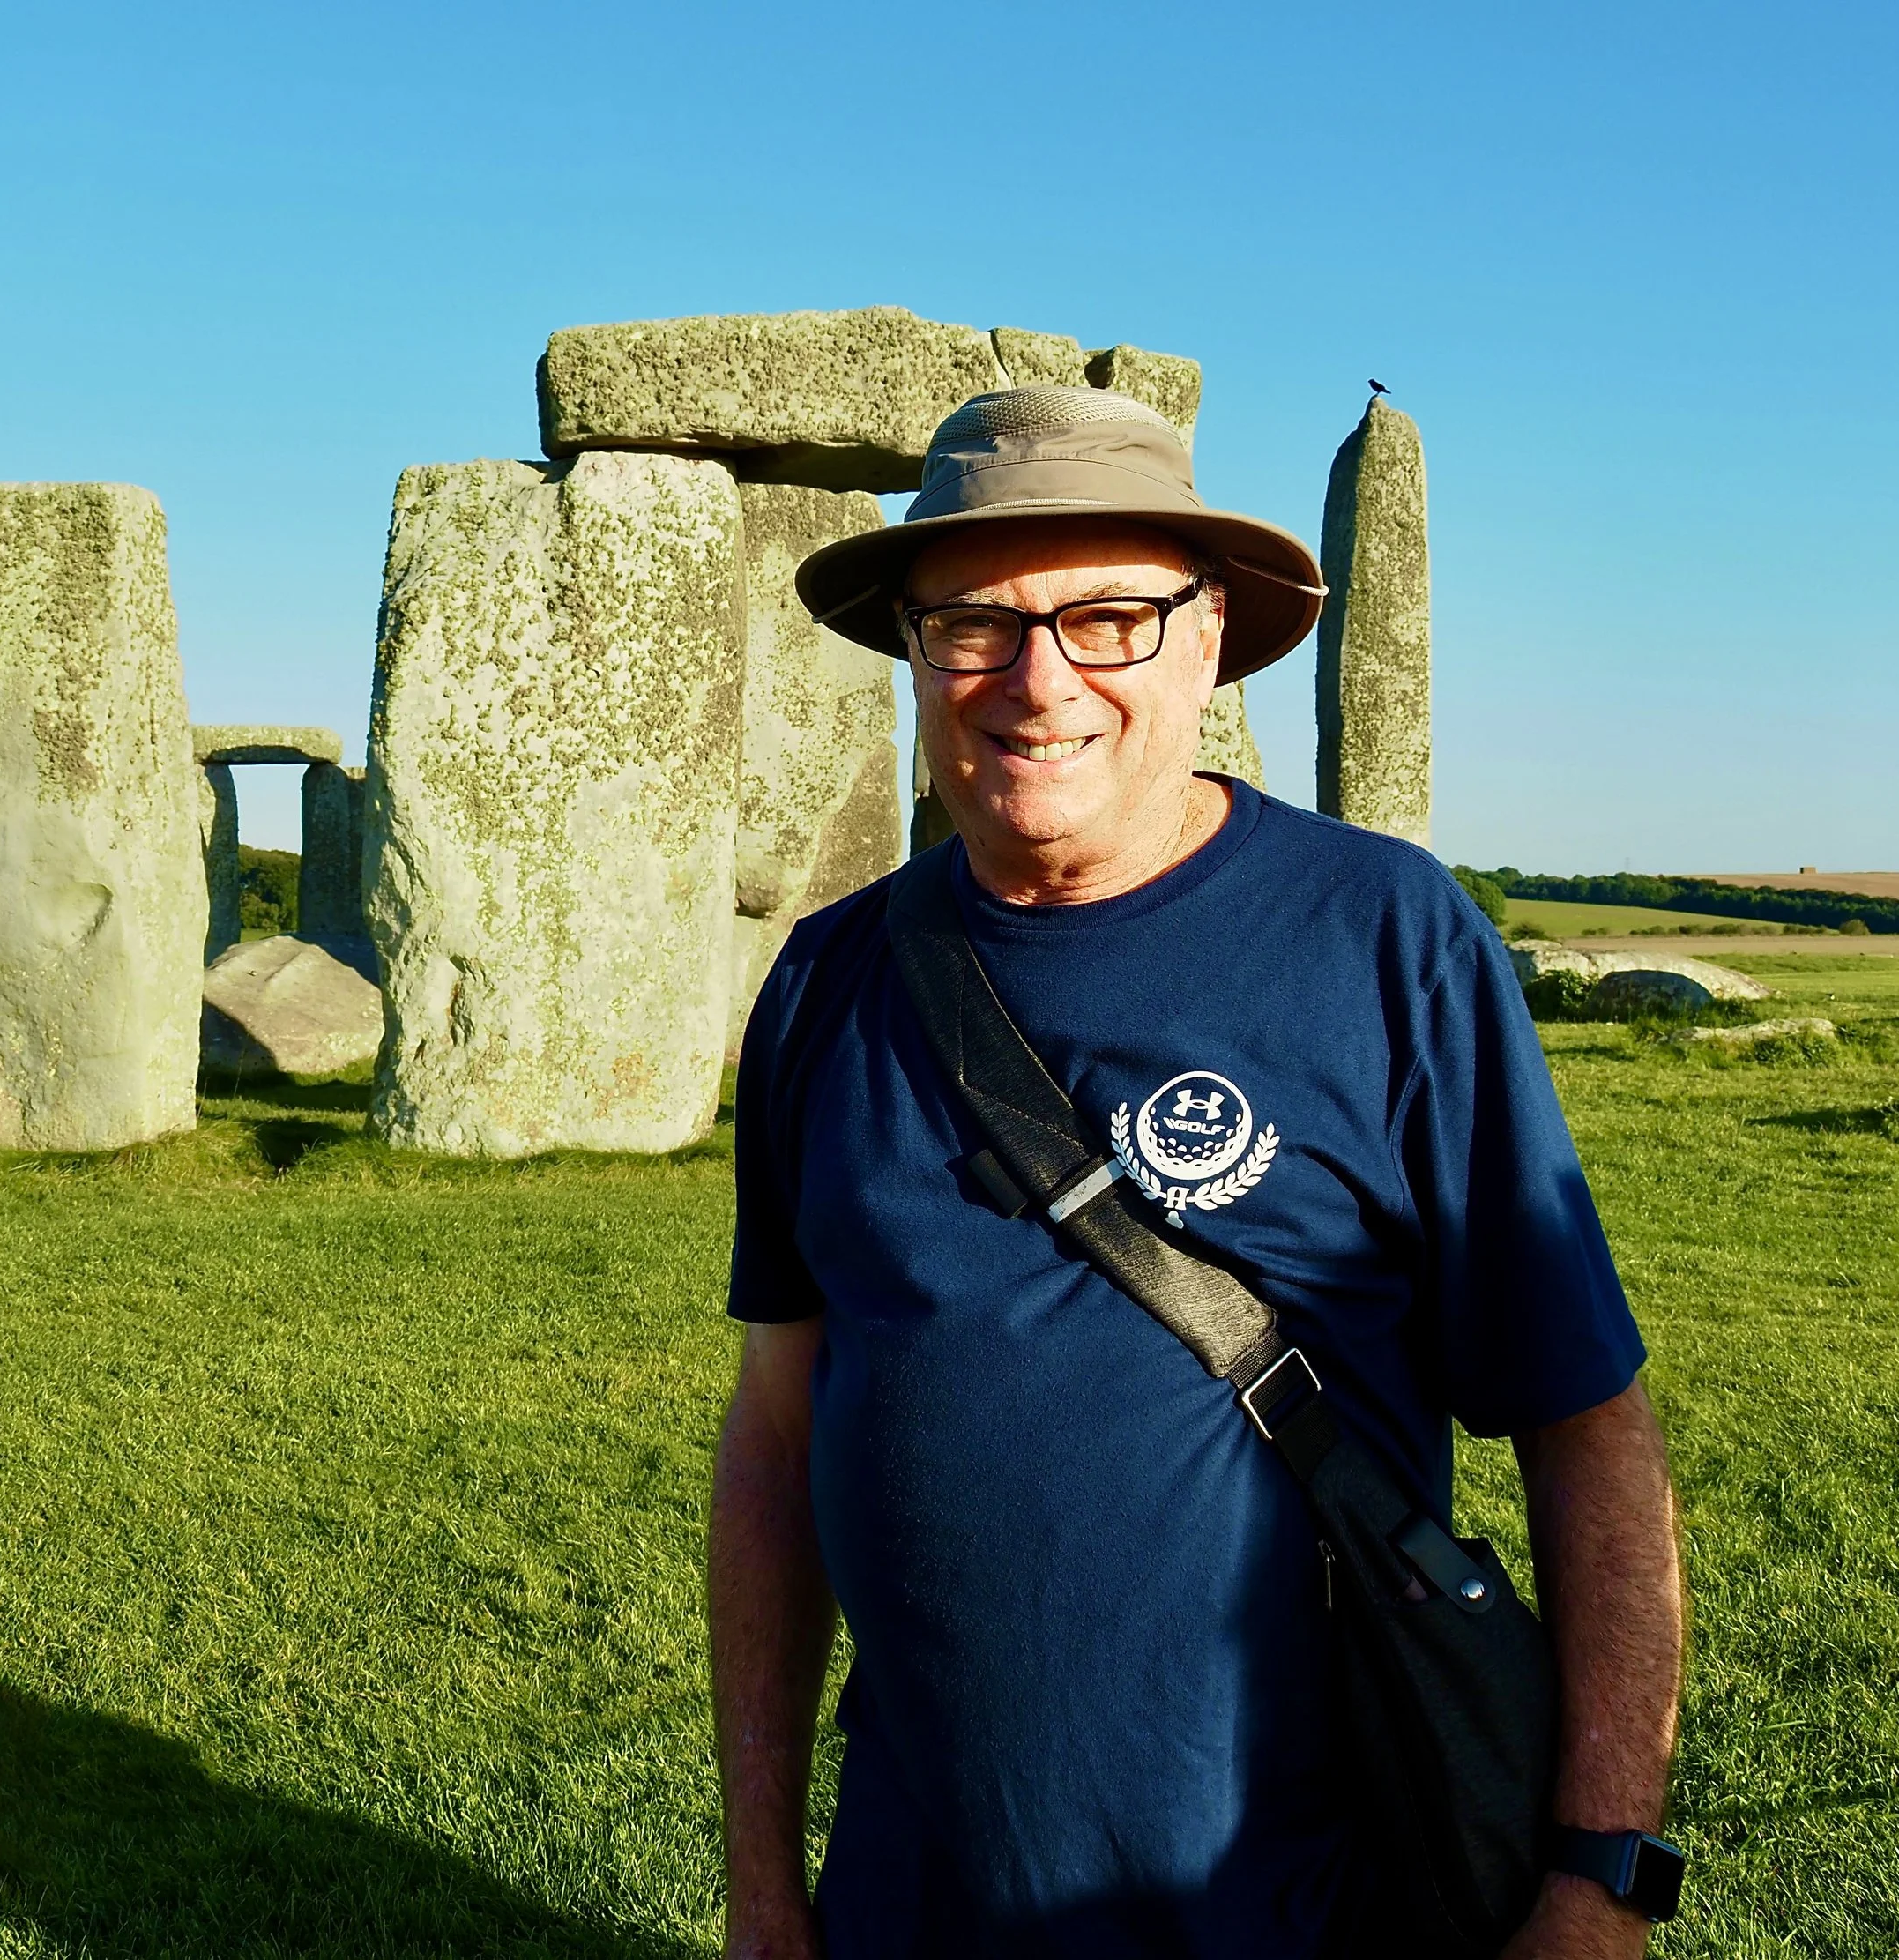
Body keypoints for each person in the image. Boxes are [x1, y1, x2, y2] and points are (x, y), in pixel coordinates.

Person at [710, 386, 1683, 1960]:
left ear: (1210, 637)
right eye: (974, 625)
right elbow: (775, 1435)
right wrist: (765, 1884)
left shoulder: (1384, 940)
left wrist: (1597, 1875)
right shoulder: (827, 985)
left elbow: (1589, 1426)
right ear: (911, 649)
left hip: (1312, 1907)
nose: (1039, 684)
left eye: (1110, 618)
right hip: (915, 1899)